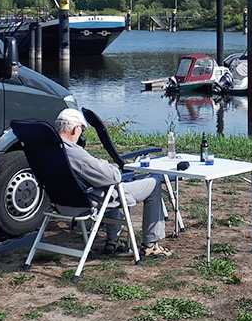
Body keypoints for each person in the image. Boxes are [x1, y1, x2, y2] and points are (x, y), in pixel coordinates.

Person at [53, 107, 172, 257]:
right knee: (153, 183)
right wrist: (106, 165)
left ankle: (113, 241)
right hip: (91, 201)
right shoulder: (74, 152)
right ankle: (151, 244)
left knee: (105, 185)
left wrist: (97, 166)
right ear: (76, 129)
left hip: (62, 204)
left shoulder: (48, 151)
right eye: (82, 131)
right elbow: (114, 177)